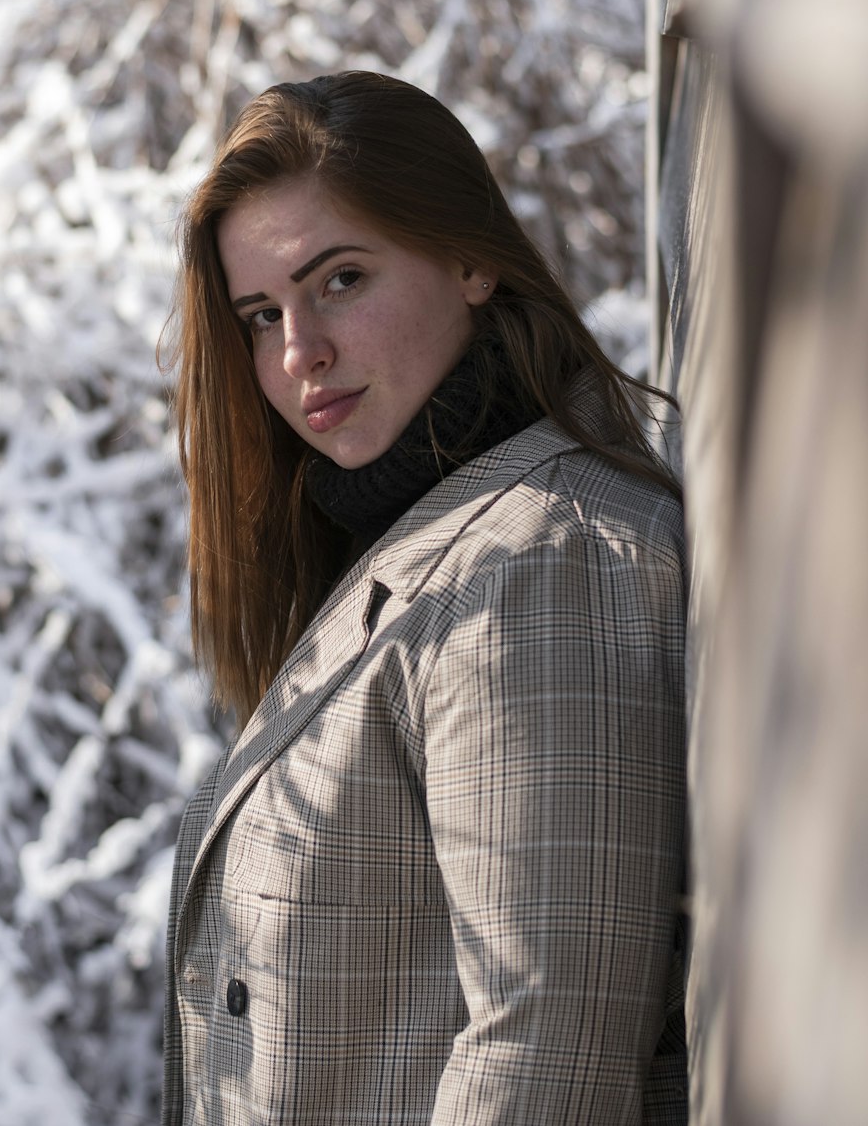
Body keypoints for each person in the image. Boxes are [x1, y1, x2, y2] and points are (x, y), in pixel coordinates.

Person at [161, 71, 687, 1126]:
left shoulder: (537, 564)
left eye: (341, 279)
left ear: (471, 258)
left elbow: (546, 1052)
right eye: (261, 314)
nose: (299, 352)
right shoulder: (410, 542)